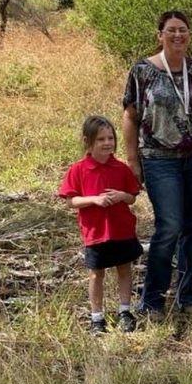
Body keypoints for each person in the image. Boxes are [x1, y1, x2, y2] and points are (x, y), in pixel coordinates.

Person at [123, 10, 192, 317]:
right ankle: (153, 299)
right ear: (160, 35)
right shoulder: (143, 70)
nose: (178, 35)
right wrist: (132, 160)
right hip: (158, 159)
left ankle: (187, 294)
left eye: (183, 30)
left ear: (189, 34)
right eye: (171, 30)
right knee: (168, 226)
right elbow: (130, 115)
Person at [58, 115, 143, 334]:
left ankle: (125, 311)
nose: (107, 143)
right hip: (95, 232)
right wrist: (94, 199)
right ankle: (97, 318)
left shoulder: (121, 168)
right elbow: (70, 201)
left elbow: (132, 197)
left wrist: (122, 195)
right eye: (101, 139)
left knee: (124, 268)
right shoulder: (79, 170)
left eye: (110, 138)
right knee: (96, 273)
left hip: (121, 229)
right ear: (88, 142)